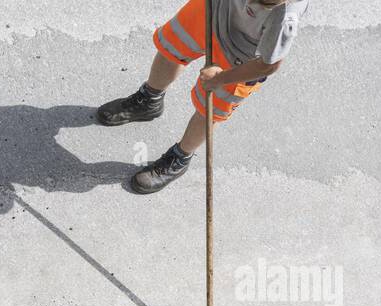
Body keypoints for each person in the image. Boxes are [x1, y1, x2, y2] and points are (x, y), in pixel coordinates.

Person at [97, 0, 308, 193]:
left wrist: (221, 78)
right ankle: (148, 100)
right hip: (215, 7)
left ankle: (180, 157)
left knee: (210, 110)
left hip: (242, 57)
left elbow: (268, 65)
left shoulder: (285, 19)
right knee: (173, 45)